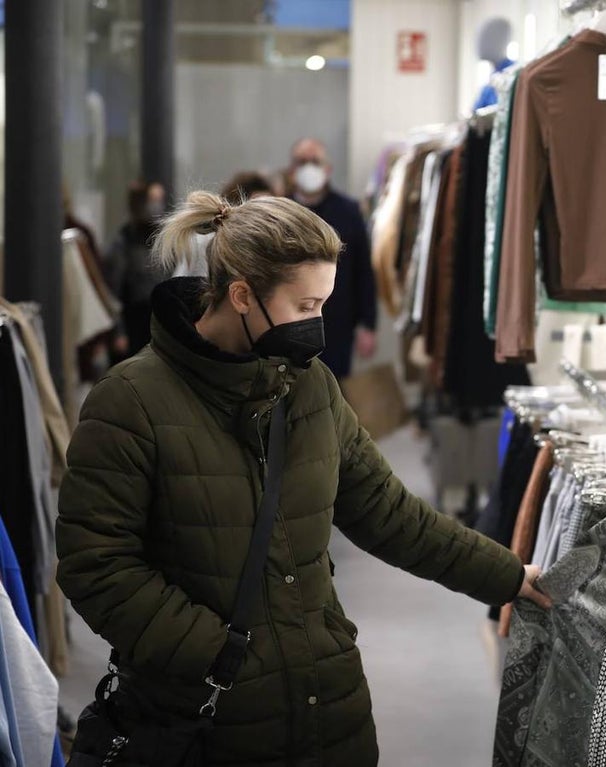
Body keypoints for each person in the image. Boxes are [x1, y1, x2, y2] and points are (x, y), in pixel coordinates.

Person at [55, 191, 551, 766]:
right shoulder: (131, 400)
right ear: (242, 296)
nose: (318, 324)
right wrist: (217, 655)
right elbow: (96, 563)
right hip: (203, 724)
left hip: (329, 709)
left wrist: (507, 575)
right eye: (305, 305)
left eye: (325, 304)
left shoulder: (309, 386)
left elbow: (390, 514)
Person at [288, 137, 377, 378]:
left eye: (314, 161)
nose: (308, 167)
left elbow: (363, 271)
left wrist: (367, 324)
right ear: (292, 170)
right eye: (301, 161)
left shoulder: (348, 210)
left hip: (338, 324)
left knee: (333, 389)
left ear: (327, 168)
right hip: (289, 323)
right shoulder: (282, 211)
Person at [105, 180, 166, 359]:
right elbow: (113, 293)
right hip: (133, 326)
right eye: (153, 200)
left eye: (160, 200)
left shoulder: (163, 239)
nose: (157, 206)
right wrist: (118, 332)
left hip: (157, 325)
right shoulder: (123, 243)